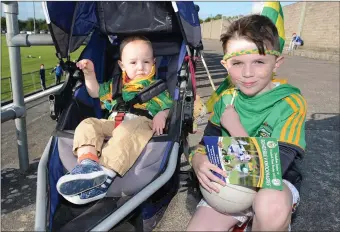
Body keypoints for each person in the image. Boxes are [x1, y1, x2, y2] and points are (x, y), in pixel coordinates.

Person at [187, 15, 306, 231]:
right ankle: (243, 220)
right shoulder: (226, 99)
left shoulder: (290, 103)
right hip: (230, 187)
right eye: (237, 63)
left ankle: (265, 222)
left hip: (272, 186)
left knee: (271, 205)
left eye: (259, 61)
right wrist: (198, 161)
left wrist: (235, 128)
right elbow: (205, 144)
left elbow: (273, 169)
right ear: (225, 65)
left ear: (276, 63)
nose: (248, 73)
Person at [56, 36, 173, 205]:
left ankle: (104, 175)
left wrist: (162, 114)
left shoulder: (158, 87)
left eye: (146, 62)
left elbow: (170, 106)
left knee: (129, 129)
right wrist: (89, 74)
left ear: (154, 62)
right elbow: (95, 92)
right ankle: (88, 164)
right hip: (114, 122)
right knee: (88, 123)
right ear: (122, 65)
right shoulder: (116, 84)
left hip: (141, 123)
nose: (140, 67)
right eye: (133, 63)